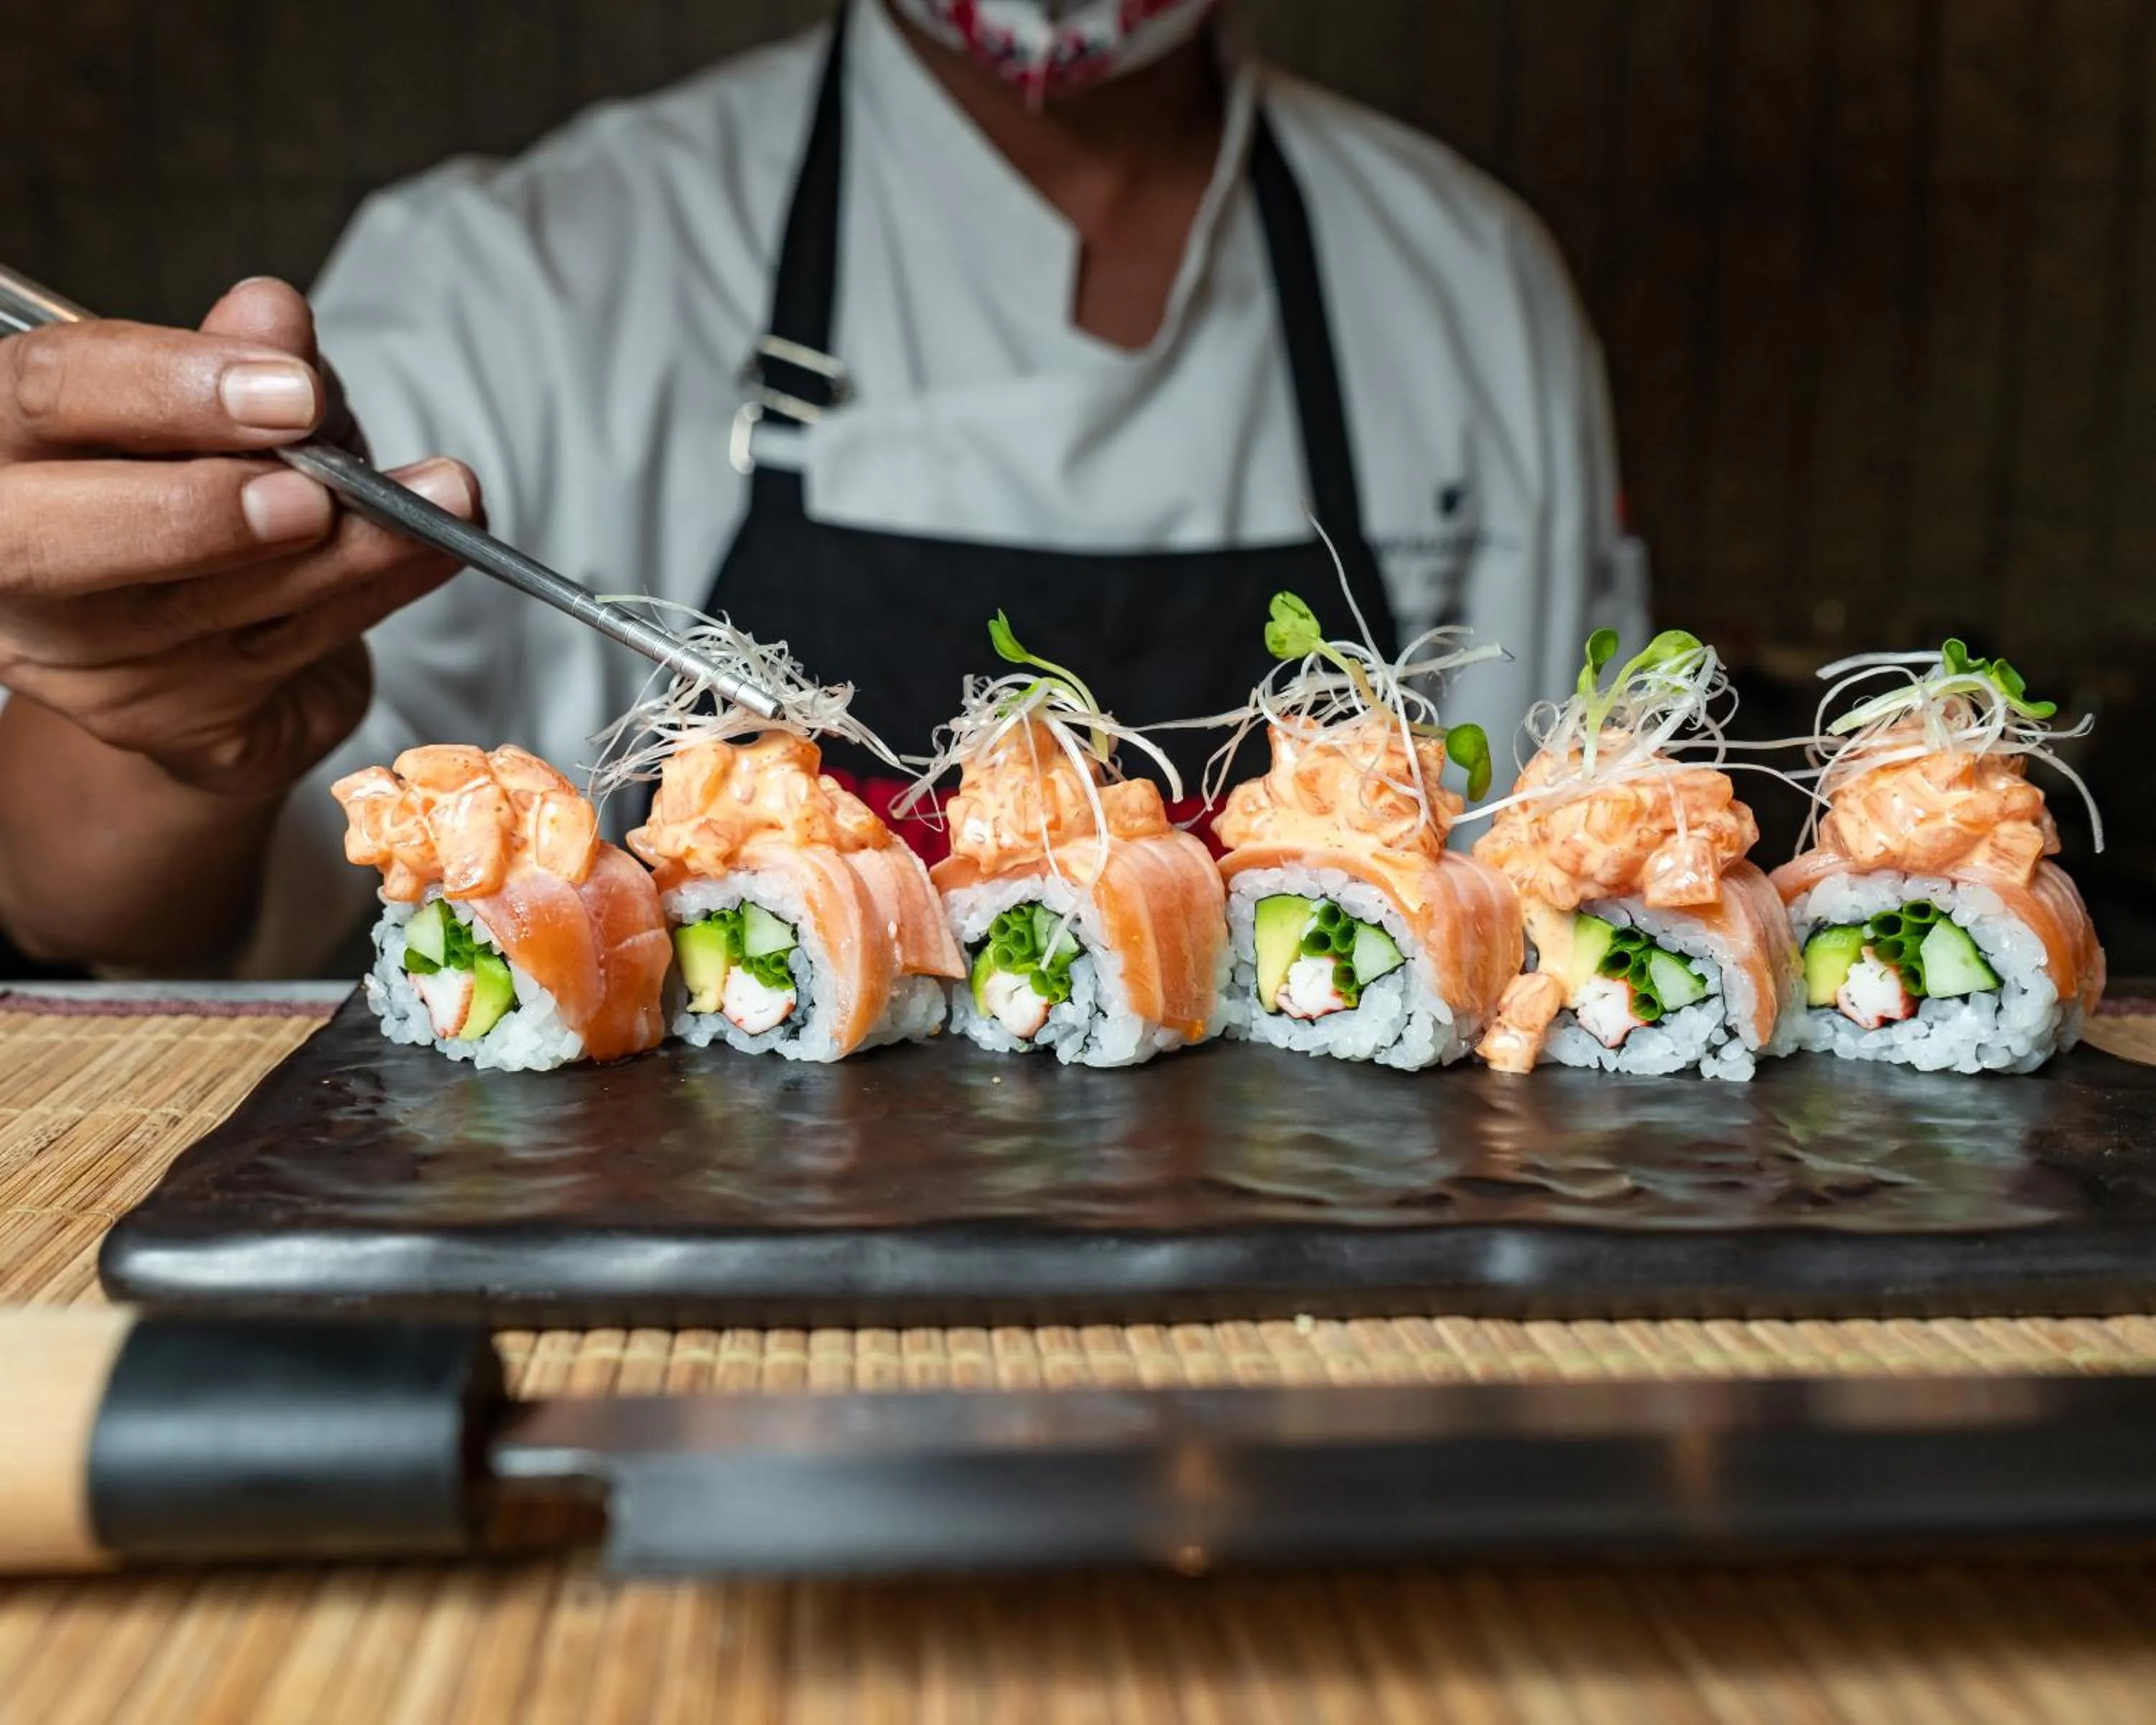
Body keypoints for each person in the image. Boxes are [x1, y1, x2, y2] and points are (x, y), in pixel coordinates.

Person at [0, 0, 1639, 979]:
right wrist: (176, 719)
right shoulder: (520, 270)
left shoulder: (1469, 287)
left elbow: (1555, 892)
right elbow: (79, 891)